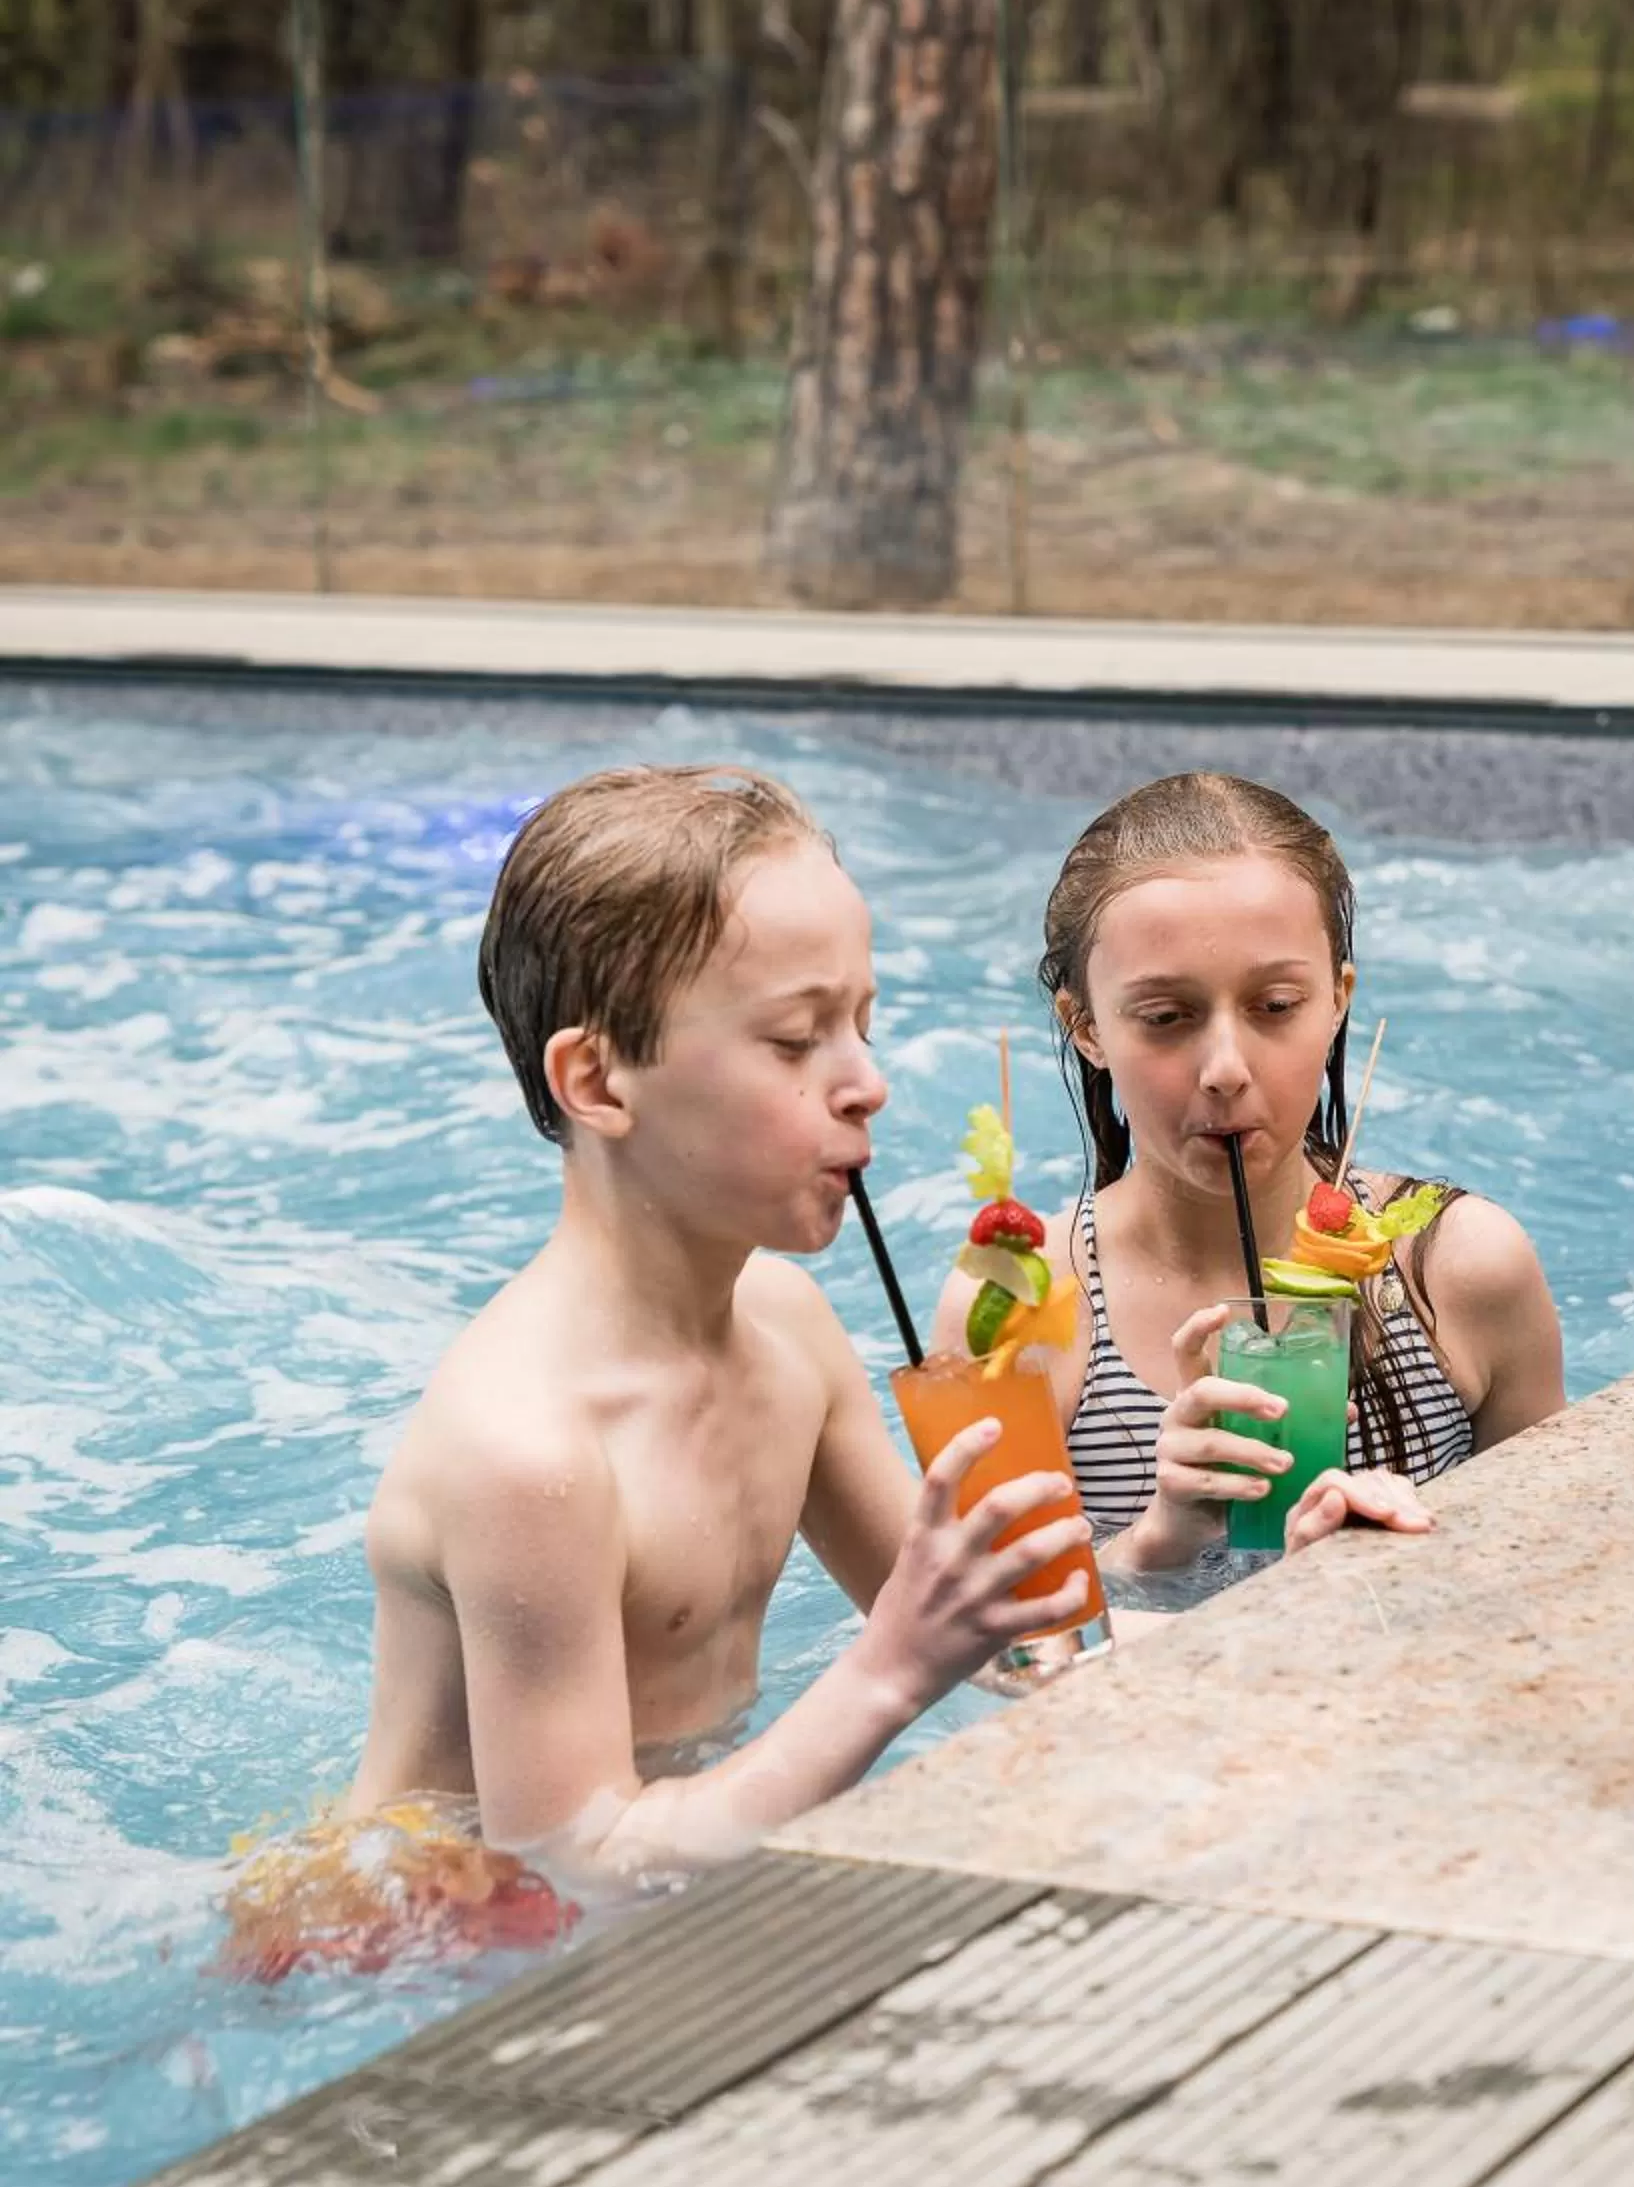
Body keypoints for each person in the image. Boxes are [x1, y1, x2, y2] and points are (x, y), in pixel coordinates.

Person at [344, 763, 1091, 1878]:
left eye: (861, 1026)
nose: (867, 1084)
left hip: (665, 1871)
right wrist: (886, 1672)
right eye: (796, 1042)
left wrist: (1214, 1588)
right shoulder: (529, 1455)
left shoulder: (784, 1329)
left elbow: (997, 1635)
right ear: (597, 1080)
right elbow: (578, 1863)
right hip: (412, 1941)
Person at [932, 772, 1563, 1576]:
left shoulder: (1459, 1267)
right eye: (1166, 1018)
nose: (1225, 1069)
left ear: (1337, 1000)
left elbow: (1552, 1577)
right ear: (1085, 1026)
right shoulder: (1021, 1312)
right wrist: (1158, 1542)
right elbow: (1004, 1660)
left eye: (1275, 1006)